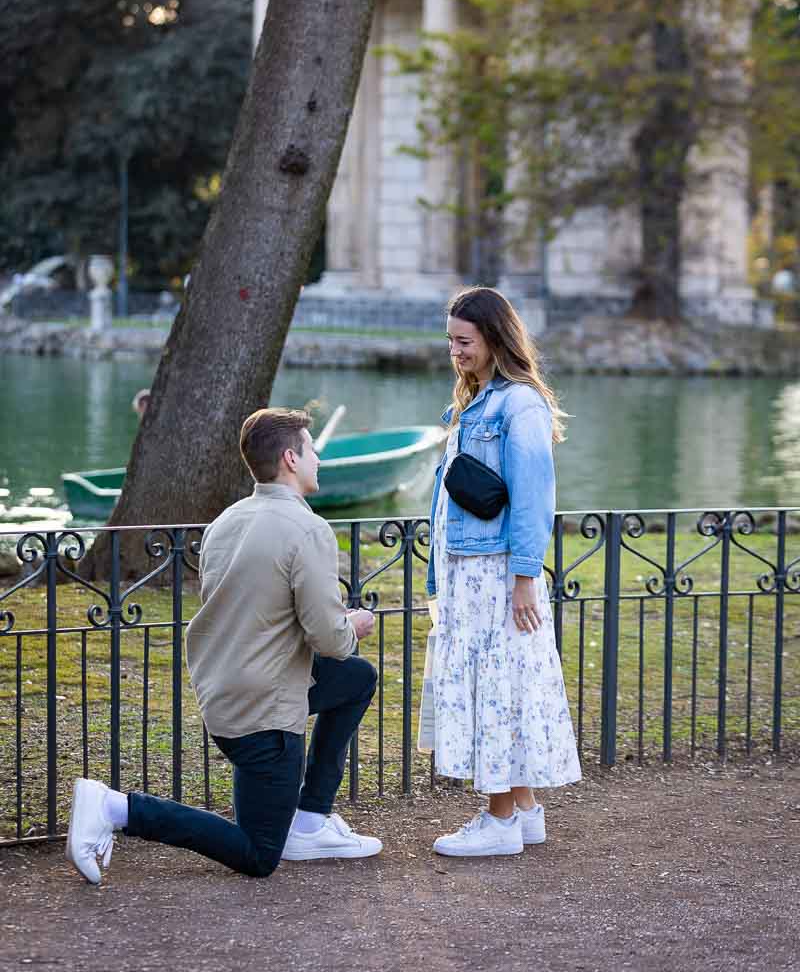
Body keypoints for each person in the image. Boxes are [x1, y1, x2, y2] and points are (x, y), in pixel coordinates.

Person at [66, 407, 382, 884]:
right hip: (264, 714)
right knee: (259, 854)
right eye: (313, 450)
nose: (319, 458)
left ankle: (312, 818)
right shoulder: (309, 530)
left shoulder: (226, 521)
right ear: (292, 459)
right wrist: (354, 624)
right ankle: (117, 807)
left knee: (357, 679)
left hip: (222, 691)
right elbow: (328, 639)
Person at [426, 286, 581, 857]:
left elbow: (535, 497)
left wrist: (523, 577)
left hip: (495, 575)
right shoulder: (477, 401)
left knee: (498, 688)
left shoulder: (519, 405)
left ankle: (496, 823)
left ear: (494, 338)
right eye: (450, 341)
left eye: (464, 341)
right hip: (468, 573)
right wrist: (436, 581)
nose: (456, 352)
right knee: (501, 688)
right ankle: (524, 808)